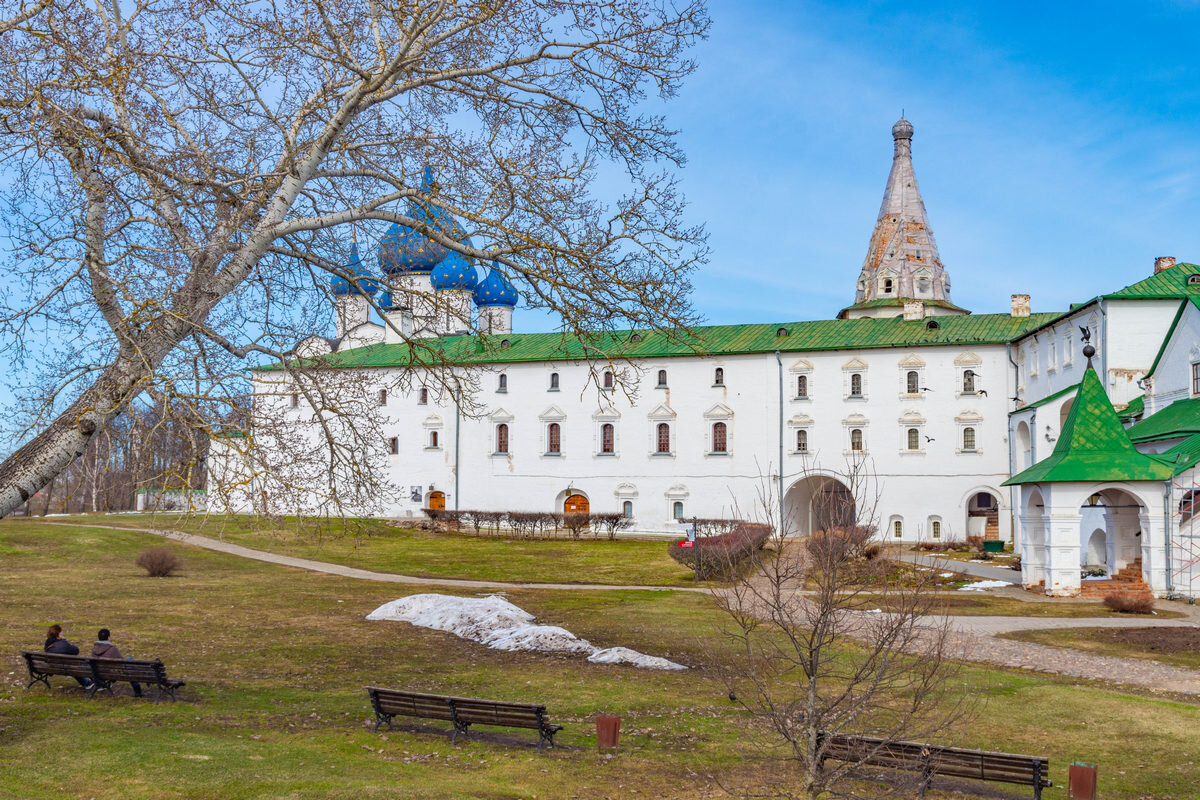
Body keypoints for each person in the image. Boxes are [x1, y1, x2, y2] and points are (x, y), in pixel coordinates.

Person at [92, 628, 142, 697]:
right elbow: (122, 662)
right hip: (111, 673)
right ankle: (138, 691)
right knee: (130, 663)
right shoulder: (112, 649)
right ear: (108, 637)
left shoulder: (94, 649)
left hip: (99, 673)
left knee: (129, 662)